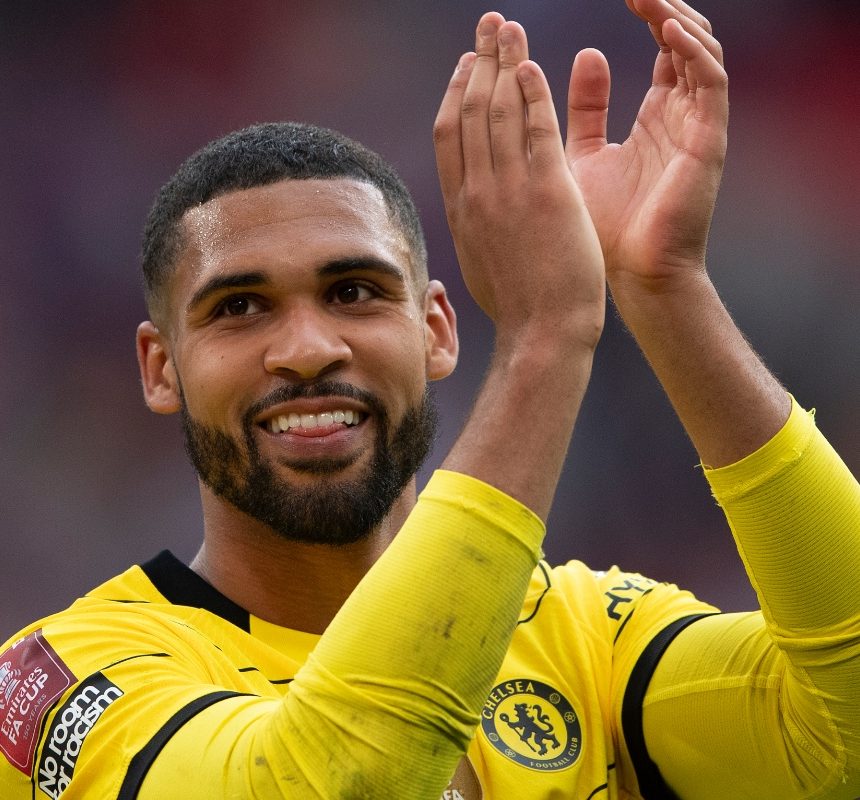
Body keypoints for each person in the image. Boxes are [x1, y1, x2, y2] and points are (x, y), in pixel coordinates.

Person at [1, 0, 857, 797]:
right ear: (161, 369)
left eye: (354, 293)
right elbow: (335, 779)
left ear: (437, 332)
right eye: (239, 308)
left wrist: (663, 286)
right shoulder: (68, 676)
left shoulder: (582, 636)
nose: (307, 349)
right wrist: (545, 337)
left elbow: (842, 733)